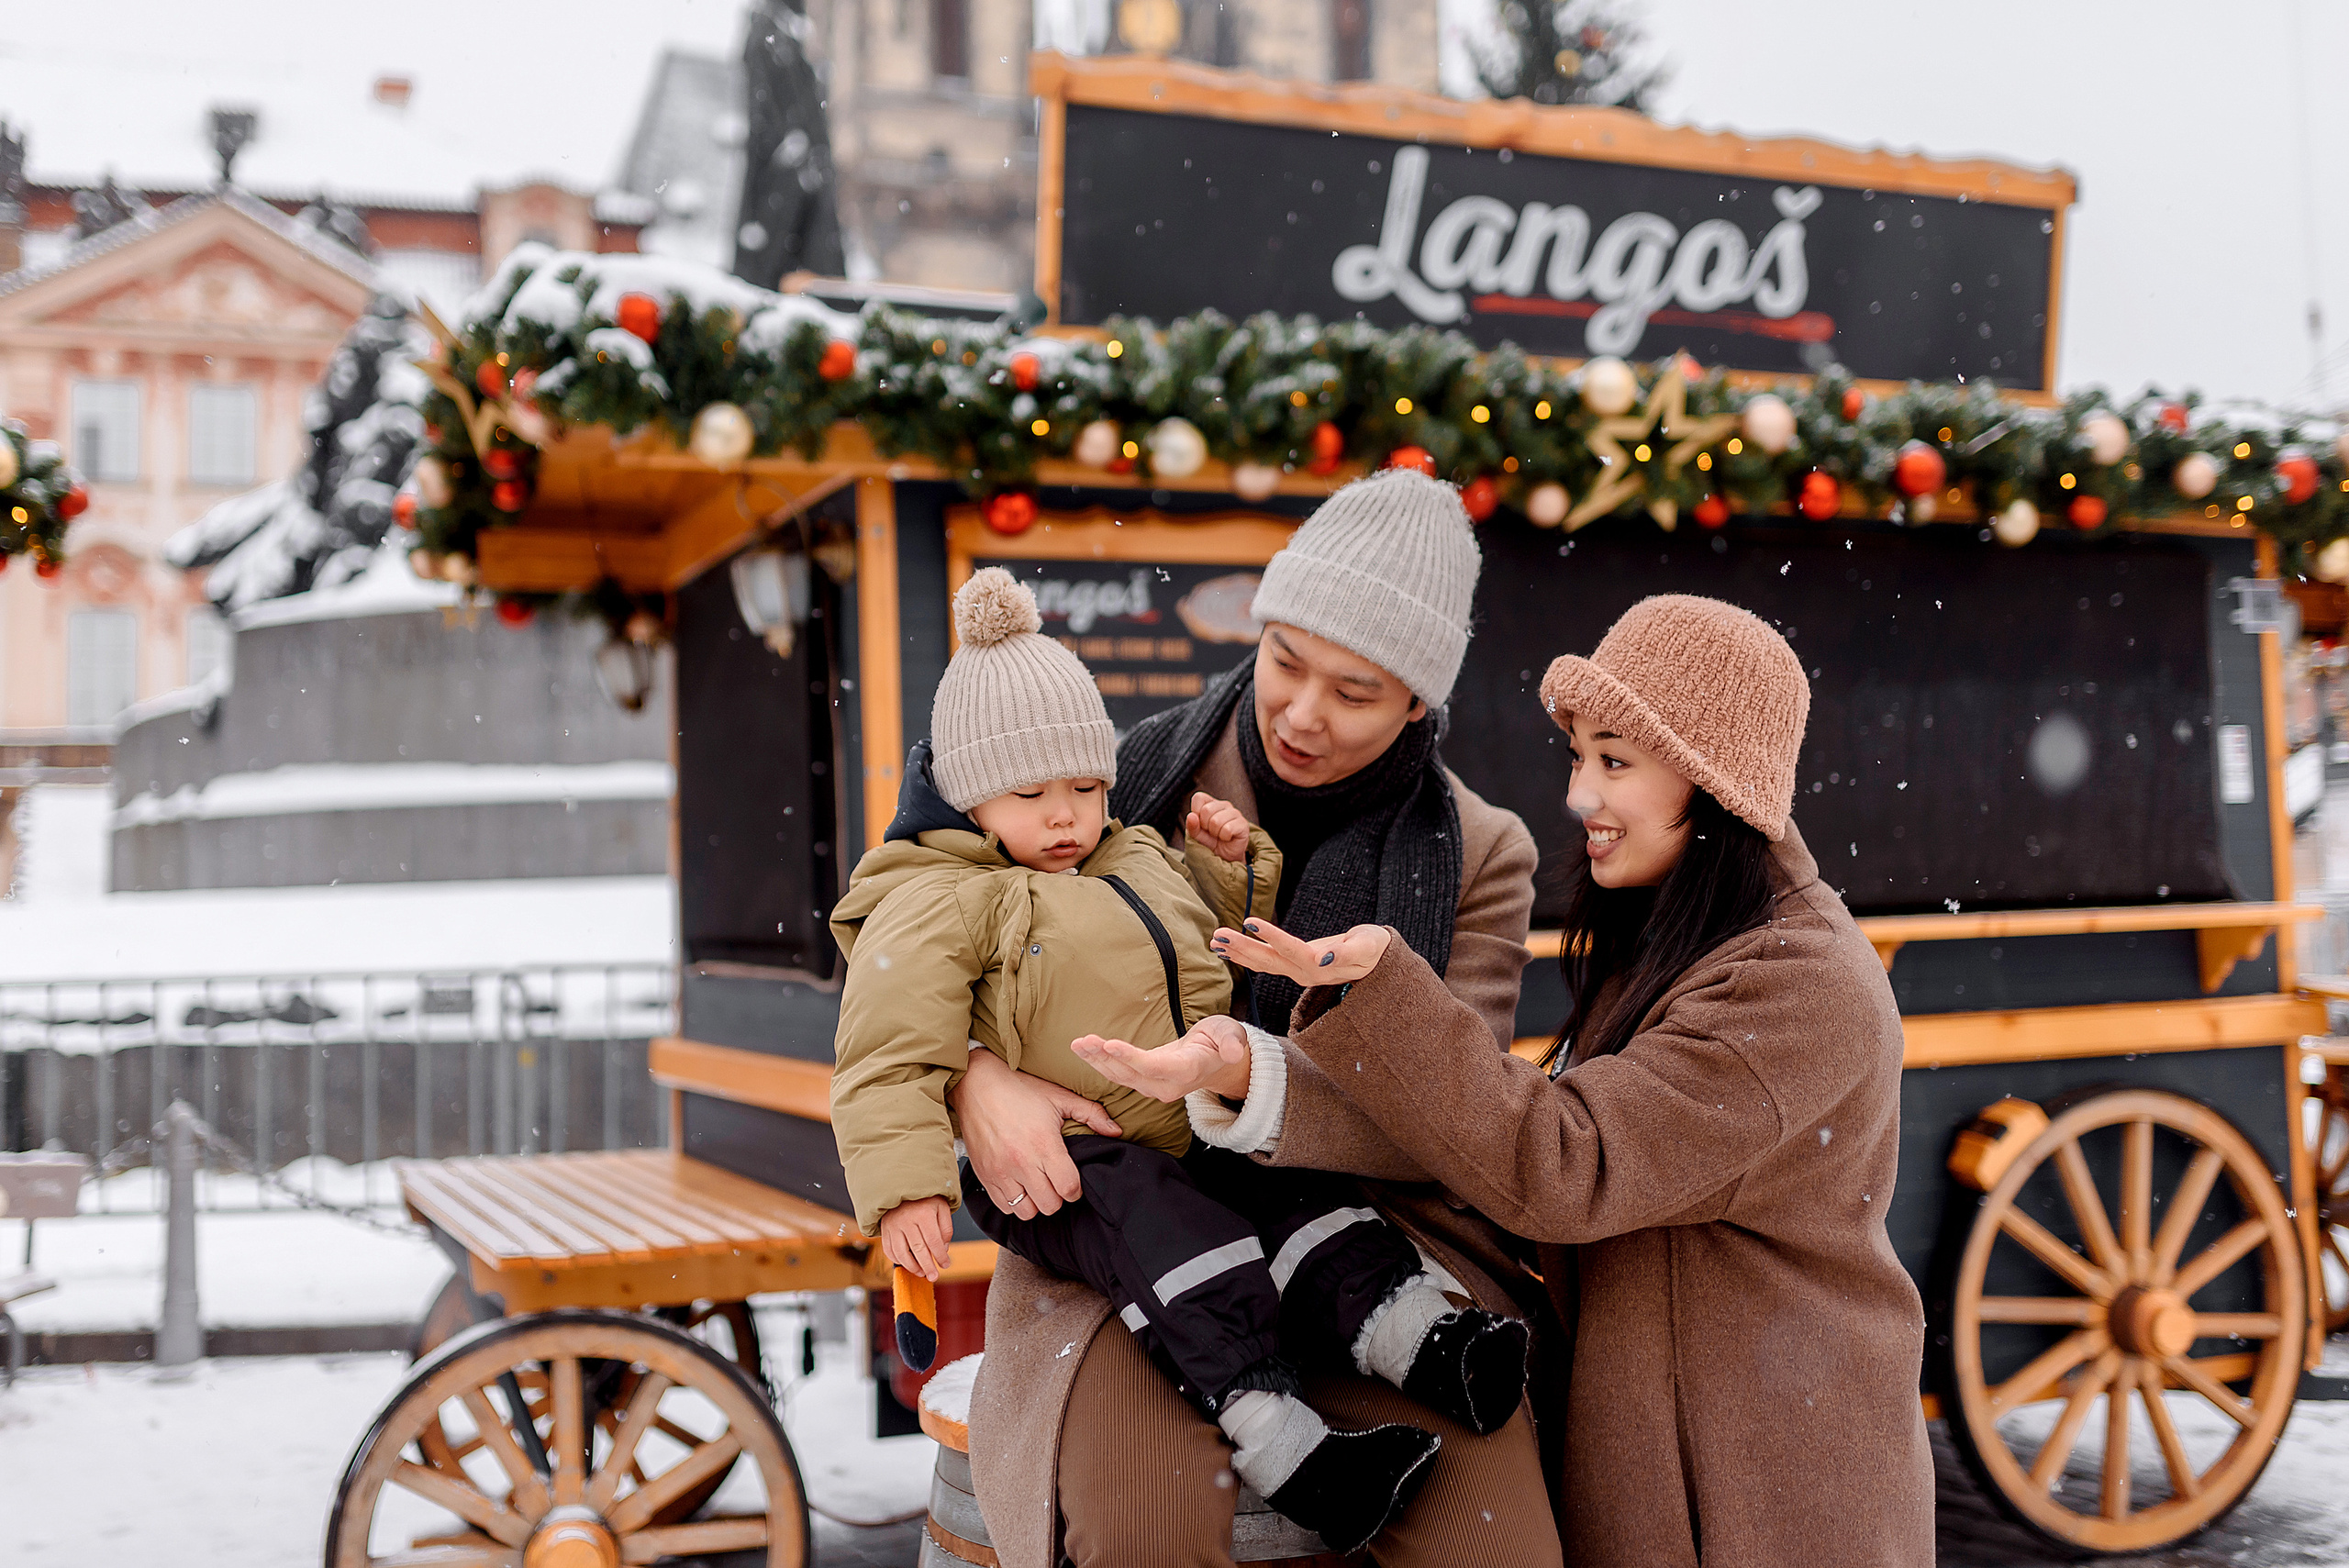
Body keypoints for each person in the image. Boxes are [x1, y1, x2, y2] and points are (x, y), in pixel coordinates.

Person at [1079, 594, 1938, 1568]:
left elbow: (1566, 1164)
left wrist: (1380, 986)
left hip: (1762, 1477)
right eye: (1578, 756)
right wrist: (1255, 1077)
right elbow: (1520, 1139)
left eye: (1615, 761)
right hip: (1671, 1439)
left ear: (1714, 781)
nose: (1579, 794)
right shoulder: (1689, 933)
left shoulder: (1797, 985)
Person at [829, 566, 1530, 1555]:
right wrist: (960, 1100)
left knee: (1298, 1213)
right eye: (1285, 659)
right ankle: (1283, 1437)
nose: (1304, 711)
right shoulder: (1104, 791)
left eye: (1355, 689)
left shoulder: (1130, 845)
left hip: (1240, 1143)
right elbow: (888, 1035)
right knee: (1169, 1356)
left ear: (1419, 702)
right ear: (971, 800)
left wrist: (1231, 879)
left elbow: (1198, 945)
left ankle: (1419, 1336)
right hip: (1094, 1169)